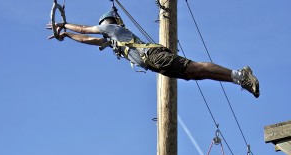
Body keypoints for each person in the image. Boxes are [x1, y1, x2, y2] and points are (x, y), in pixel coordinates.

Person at [46, 9, 260, 98]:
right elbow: (87, 39)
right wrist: (66, 35)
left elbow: (84, 29)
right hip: (154, 62)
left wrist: (63, 23)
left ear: (106, 23)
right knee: (193, 74)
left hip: (153, 56)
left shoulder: (111, 29)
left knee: (193, 68)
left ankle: (240, 75)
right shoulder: (114, 41)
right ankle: (238, 79)